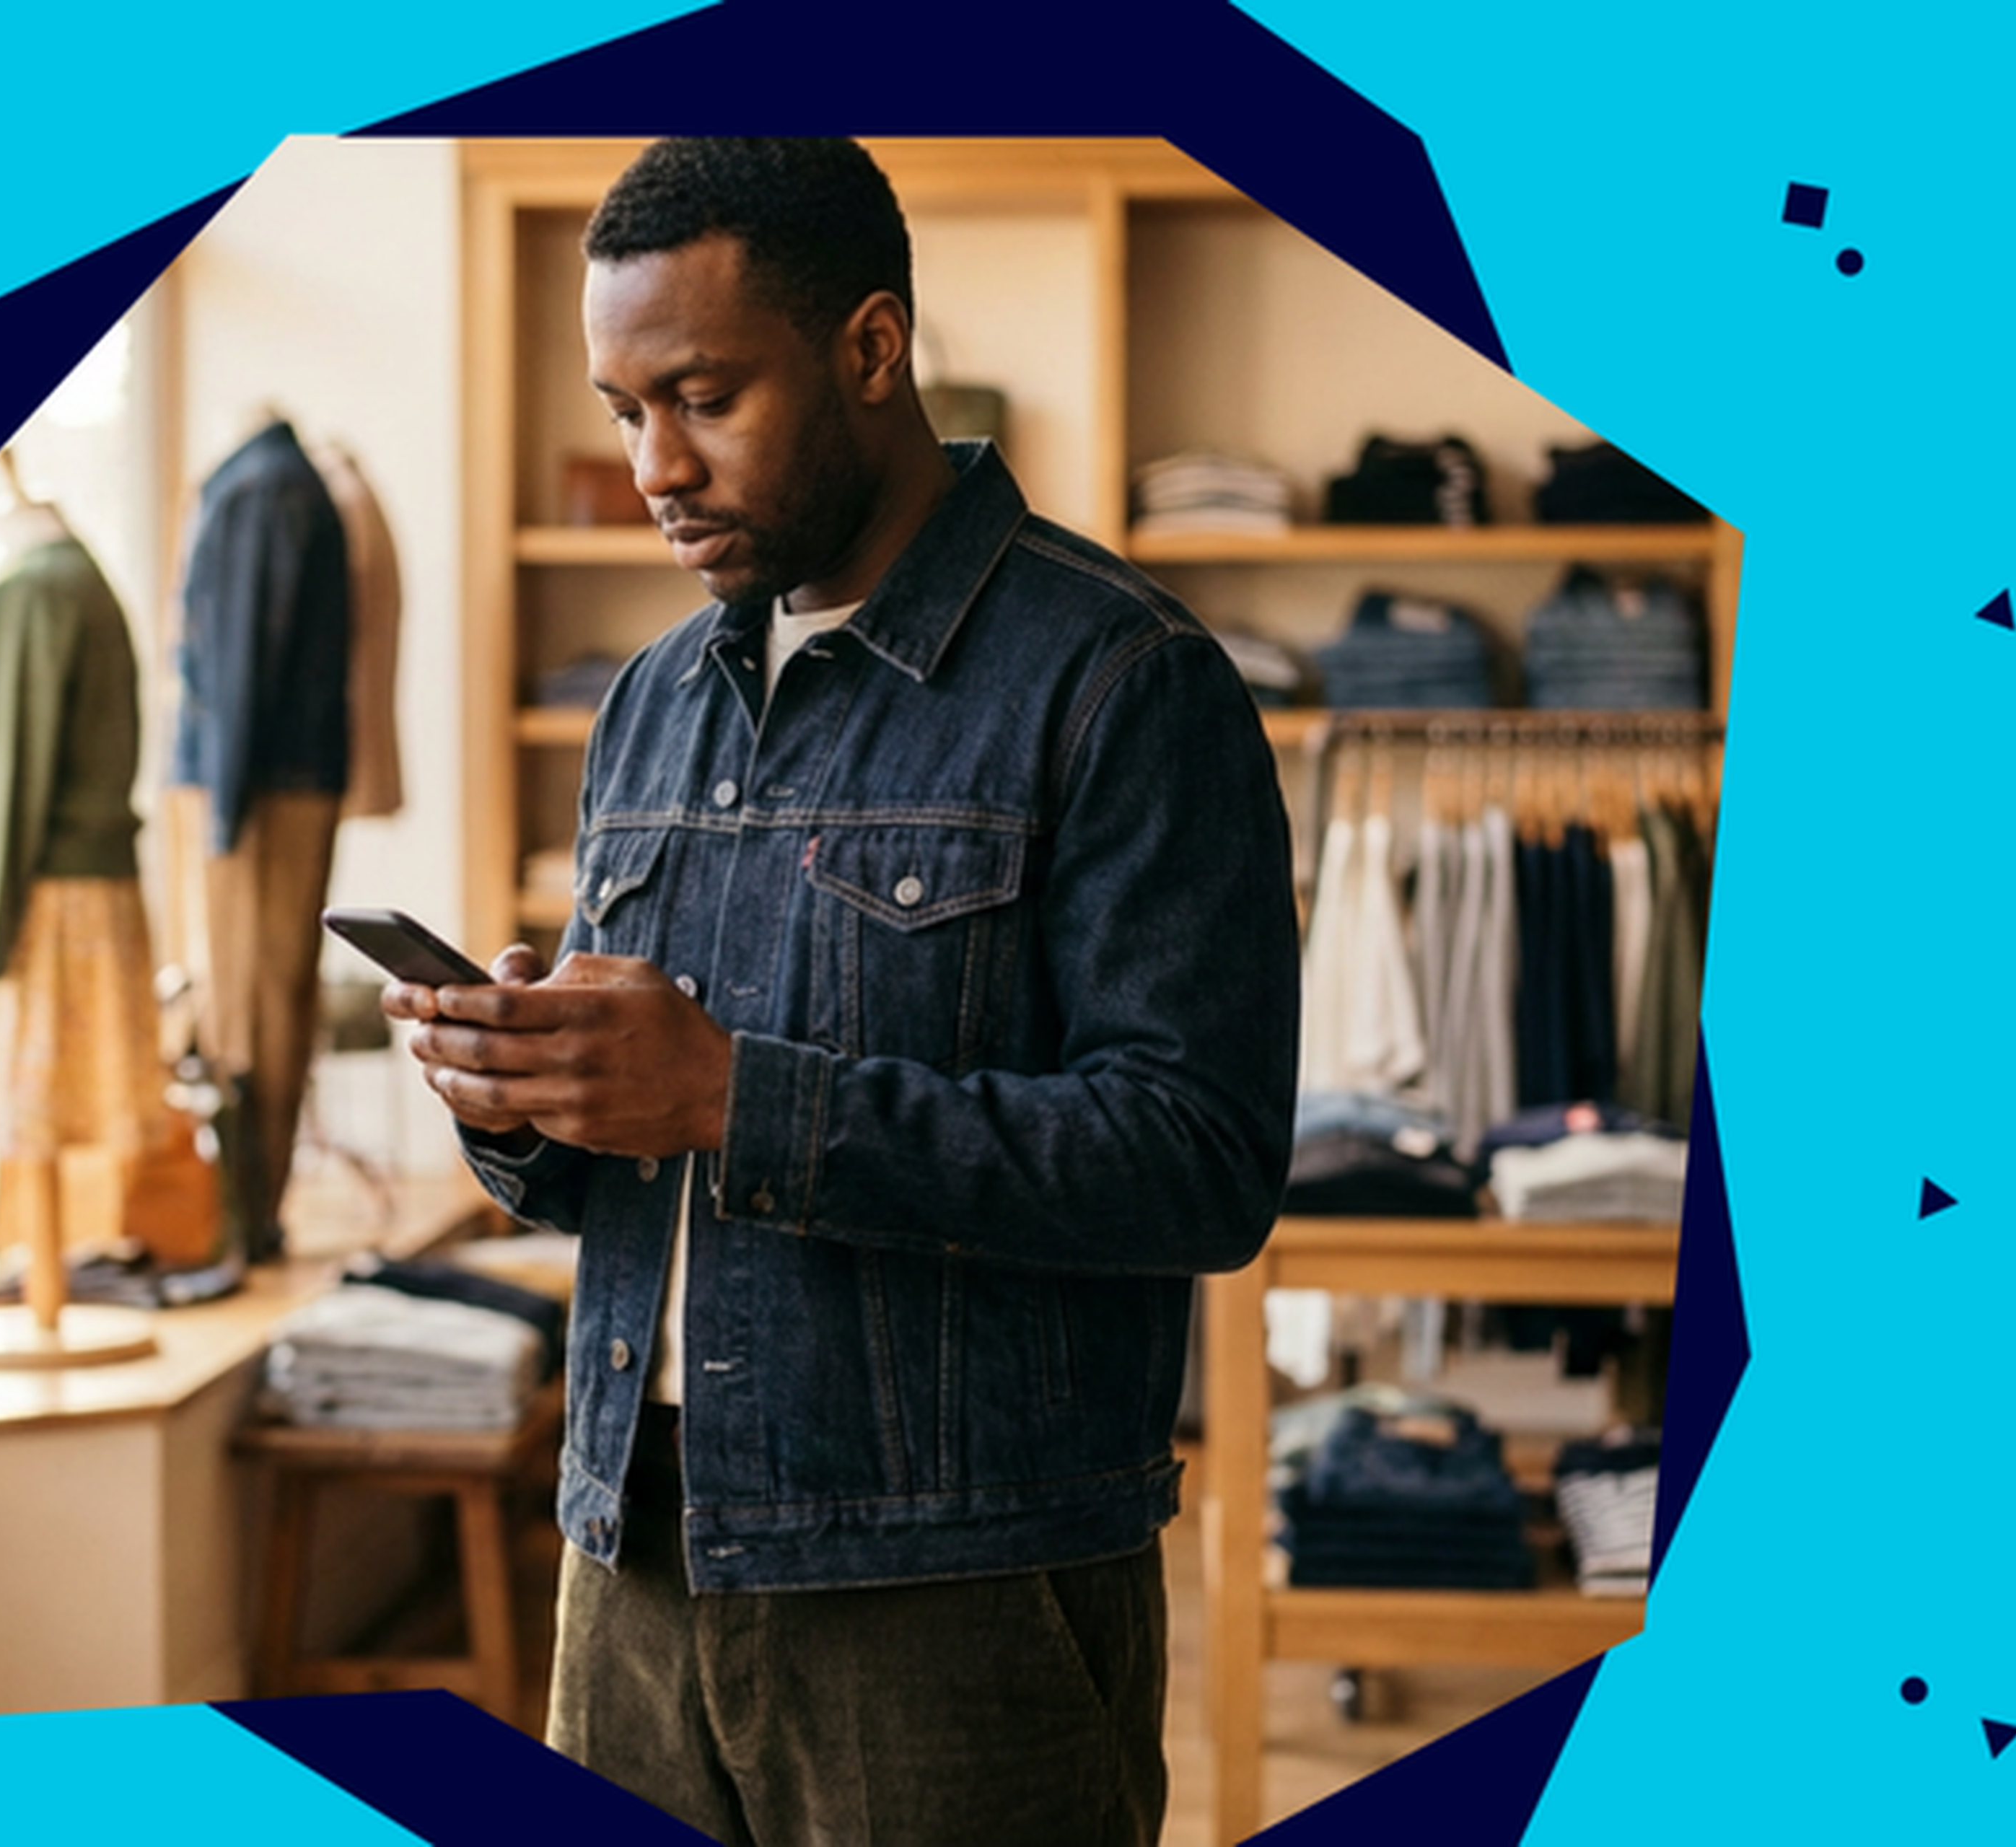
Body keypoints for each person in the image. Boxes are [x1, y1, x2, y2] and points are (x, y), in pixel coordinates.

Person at [388, 137, 1298, 1846]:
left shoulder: (1125, 680)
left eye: (703, 396)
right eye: (623, 408)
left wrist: (737, 1093)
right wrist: (524, 1095)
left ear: (872, 347)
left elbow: (1201, 1162)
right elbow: (628, 1169)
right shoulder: (649, 700)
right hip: (628, 1563)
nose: (654, 465)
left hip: (954, 1600)